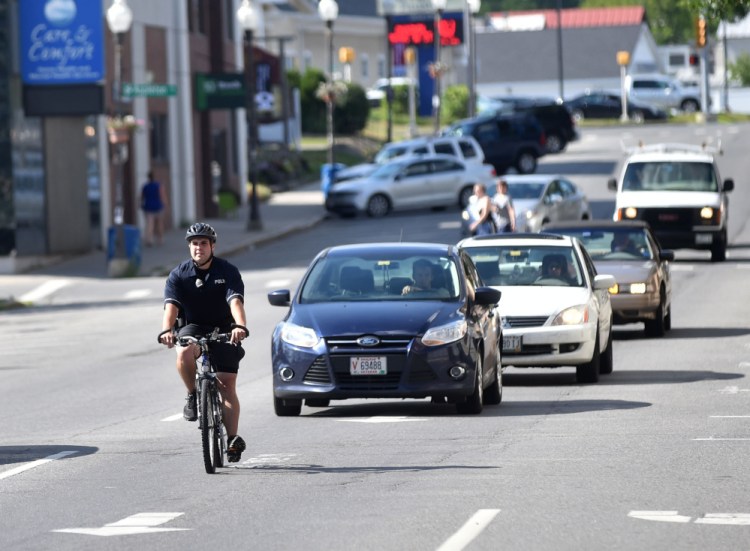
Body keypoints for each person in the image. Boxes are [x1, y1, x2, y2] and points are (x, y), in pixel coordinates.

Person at [158, 223, 249, 463]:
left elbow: (235, 302)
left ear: (212, 246)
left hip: (225, 329)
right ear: (189, 247)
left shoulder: (227, 271)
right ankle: (192, 394)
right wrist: (167, 330)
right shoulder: (179, 274)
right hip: (194, 327)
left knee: (227, 385)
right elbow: (171, 307)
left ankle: (232, 439)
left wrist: (239, 326)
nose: (199, 248)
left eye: (204, 243)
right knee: (184, 353)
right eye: (195, 243)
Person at [141, 170, 167, 246]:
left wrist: (141, 204)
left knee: (149, 224)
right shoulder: (158, 185)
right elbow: (162, 195)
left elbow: (142, 197)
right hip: (158, 206)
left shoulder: (145, 186)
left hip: (148, 206)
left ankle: (149, 239)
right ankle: (160, 239)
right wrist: (165, 203)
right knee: (159, 223)